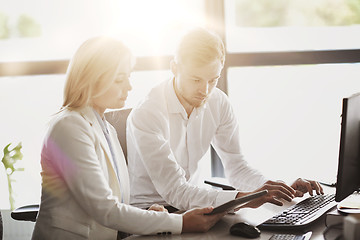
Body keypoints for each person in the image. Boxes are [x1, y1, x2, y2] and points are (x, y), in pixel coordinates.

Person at [32, 36, 225, 240]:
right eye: (119, 79)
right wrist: (181, 222)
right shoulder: (70, 127)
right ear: (91, 79)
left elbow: (118, 205)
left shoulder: (107, 129)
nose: (129, 87)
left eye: (129, 77)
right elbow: (105, 209)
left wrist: (151, 214)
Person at [126, 28, 324, 212]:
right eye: (195, 79)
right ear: (174, 68)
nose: (204, 90)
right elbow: (175, 191)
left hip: (194, 209)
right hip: (150, 214)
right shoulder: (148, 113)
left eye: (213, 79)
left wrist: (274, 191)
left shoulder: (218, 102)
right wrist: (244, 198)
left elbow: (237, 167)